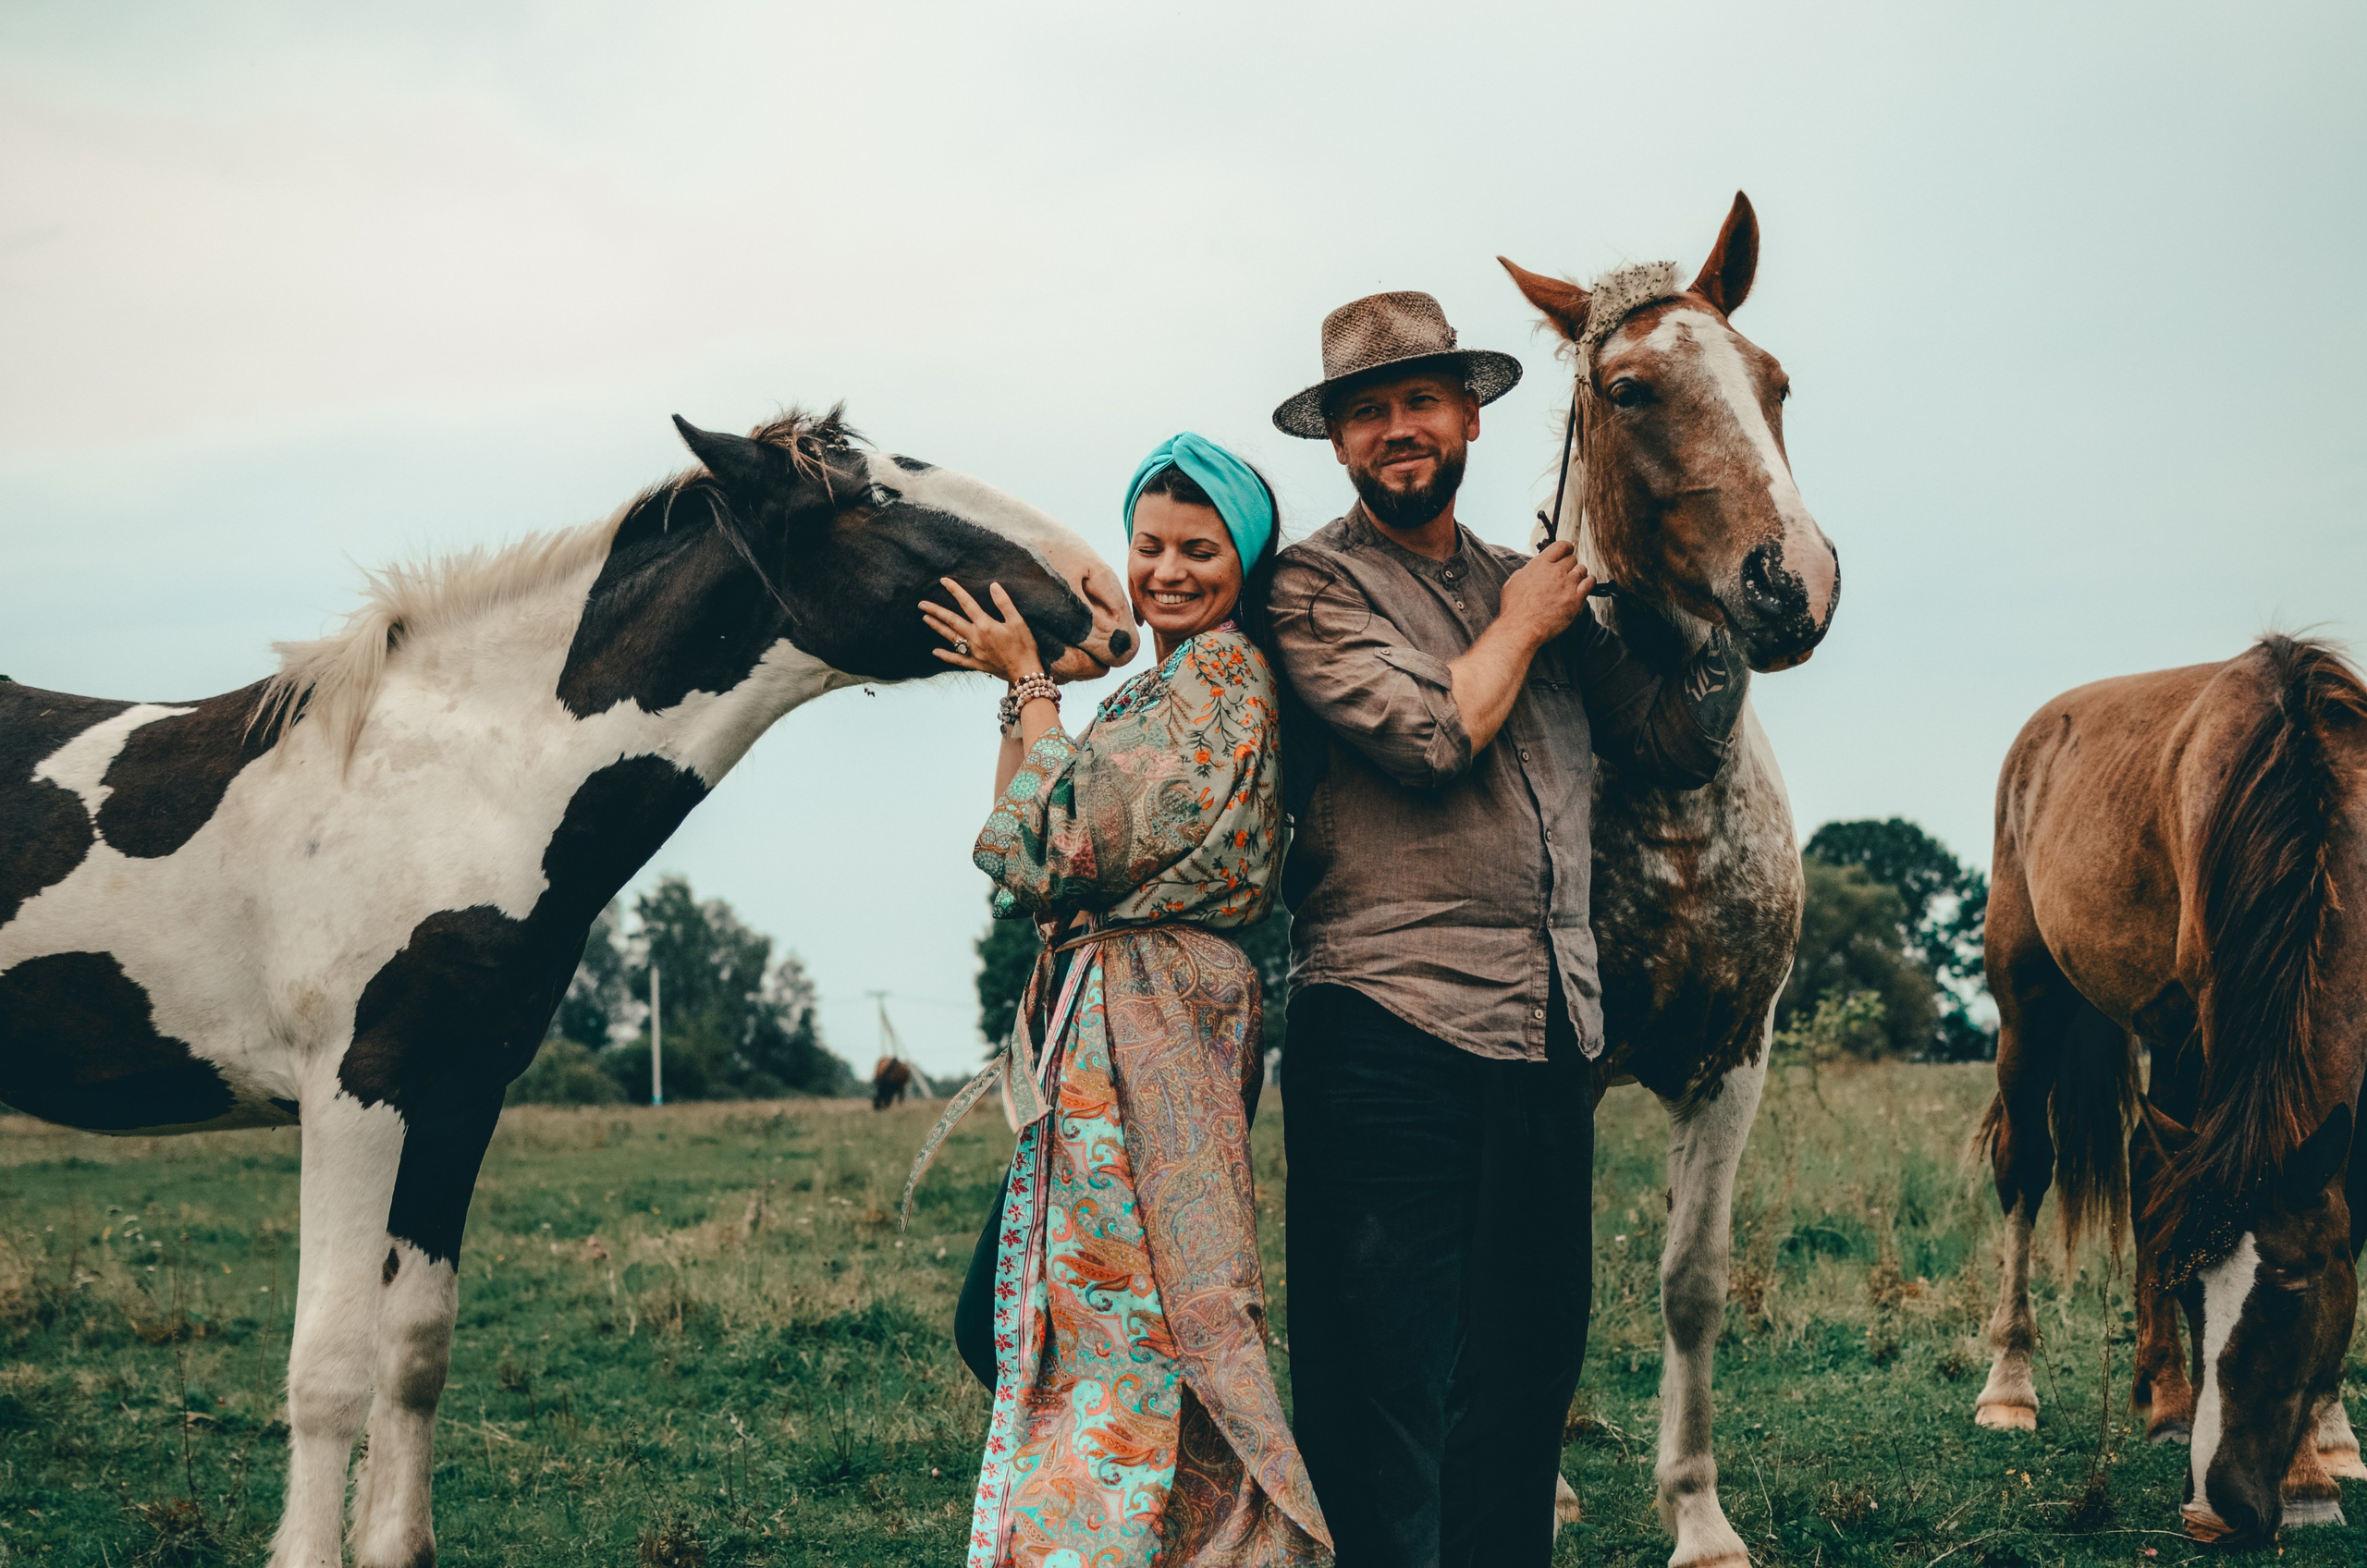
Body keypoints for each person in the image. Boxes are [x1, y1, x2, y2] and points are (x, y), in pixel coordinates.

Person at [1263, 291, 1752, 1566]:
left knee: (1523, 1386)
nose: (1397, 430)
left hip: (1549, 1041)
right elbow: (1429, 735)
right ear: (1339, 446)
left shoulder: (1534, 586)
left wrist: (1720, 619)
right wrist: (1527, 623)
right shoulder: (1312, 586)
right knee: (1385, 1397)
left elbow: (1671, 745)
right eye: (1367, 414)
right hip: (1386, 1033)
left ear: (1471, 415)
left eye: (1419, 401)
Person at [920, 433, 1329, 1567]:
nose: (1168, 571)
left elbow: (1060, 838)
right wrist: (1026, 699)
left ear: (1245, 560)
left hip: (1159, 1009)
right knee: (1082, 1311)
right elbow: (1020, 853)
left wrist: (1033, 685)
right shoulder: (1160, 686)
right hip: (1115, 1009)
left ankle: (1146, 1538)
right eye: (1149, 545)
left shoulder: (1221, 684)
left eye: (1200, 549)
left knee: (1139, 1314)